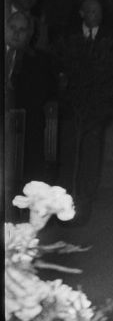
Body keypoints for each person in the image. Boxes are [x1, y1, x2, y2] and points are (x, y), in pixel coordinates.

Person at [51, 0, 113, 223]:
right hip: (71, 106)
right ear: (82, 14)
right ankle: (64, 203)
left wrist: (109, 100)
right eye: (91, 11)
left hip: (97, 107)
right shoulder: (68, 37)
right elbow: (57, 65)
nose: (96, 15)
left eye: (99, 11)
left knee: (91, 155)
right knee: (69, 154)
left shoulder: (111, 38)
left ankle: (84, 202)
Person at [4, 10, 58, 190]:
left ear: (29, 34)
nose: (16, 33)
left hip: (25, 128)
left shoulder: (40, 61)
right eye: (12, 28)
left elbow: (40, 95)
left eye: (22, 30)